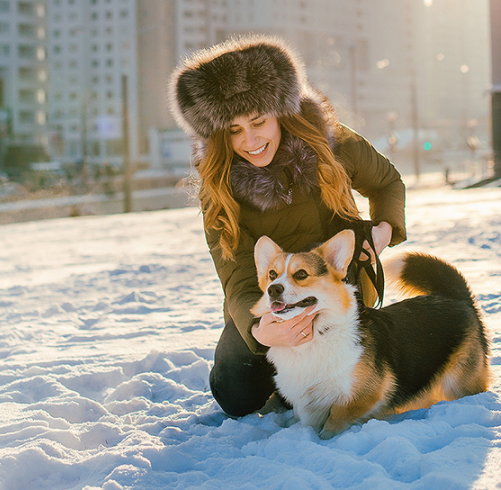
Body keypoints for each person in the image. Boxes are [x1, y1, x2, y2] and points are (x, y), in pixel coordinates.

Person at [169, 36, 407, 419]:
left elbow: (387, 183)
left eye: (259, 122)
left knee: (339, 382)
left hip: (333, 291)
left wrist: (381, 233)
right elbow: (237, 275)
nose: (250, 140)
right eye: (234, 130)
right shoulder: (218, 184)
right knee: (236, 395)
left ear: (280, 111)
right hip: (268, 302)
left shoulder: (330, 141)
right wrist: (261, 329)